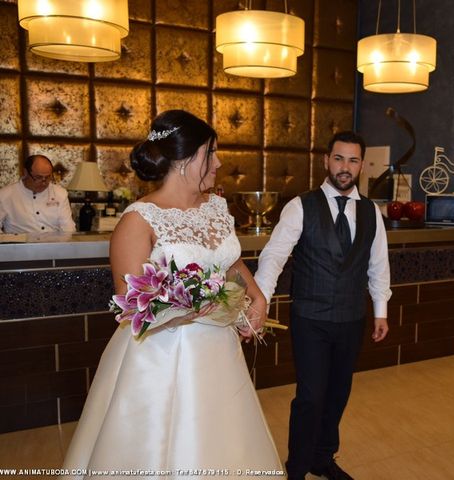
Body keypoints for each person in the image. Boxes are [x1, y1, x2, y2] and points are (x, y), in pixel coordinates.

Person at [63, 110, 283, 478]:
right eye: (210, 152)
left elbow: (229, 261)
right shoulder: (138, 220)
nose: (219, 161)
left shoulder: (215, 206)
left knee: (224, 439)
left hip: (219, 350)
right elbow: (131, 307)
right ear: (185, 158)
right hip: (162, 355)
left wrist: (257, 298)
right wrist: (195, 310)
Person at [255, 131, 391, 480]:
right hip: (310, 318)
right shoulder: (301, 206)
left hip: (352, 318)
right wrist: (260, 303)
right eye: (339, 158)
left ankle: (322, 457)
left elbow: (378, 264)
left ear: (362, 164)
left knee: (338, 394)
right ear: (326, 161)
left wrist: (380, 311)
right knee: (311, 397)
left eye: (353, 160)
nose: (345, 167)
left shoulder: (372, 212)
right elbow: (273, 258)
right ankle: (297, 468)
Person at [0, 155, 75, 233]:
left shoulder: (60, 193)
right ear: (25, 172)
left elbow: (68, 228)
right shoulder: (5, 195)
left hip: (54, 243)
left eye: (48, 177)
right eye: (38, 177)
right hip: (20, 244)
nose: (44, 182)